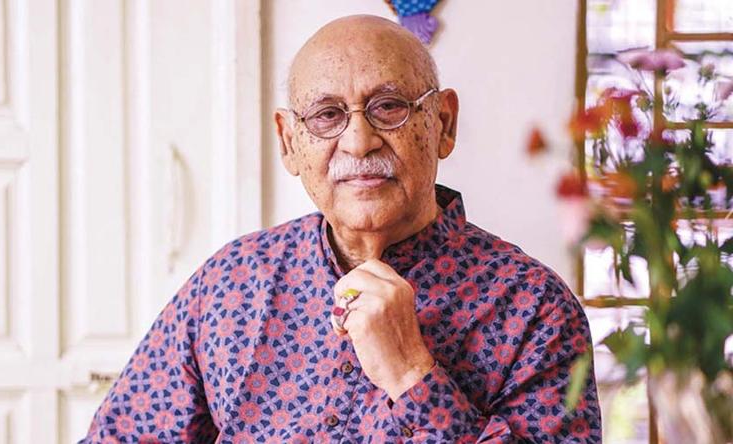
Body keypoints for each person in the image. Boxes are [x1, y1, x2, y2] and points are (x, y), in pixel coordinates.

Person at [81, 14, 602, 443]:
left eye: (389, 107)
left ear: (443, 123)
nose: (358, 141)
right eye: (327, 115)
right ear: (289, 142)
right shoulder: (230, 284)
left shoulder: (534, 308)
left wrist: (411, 374)